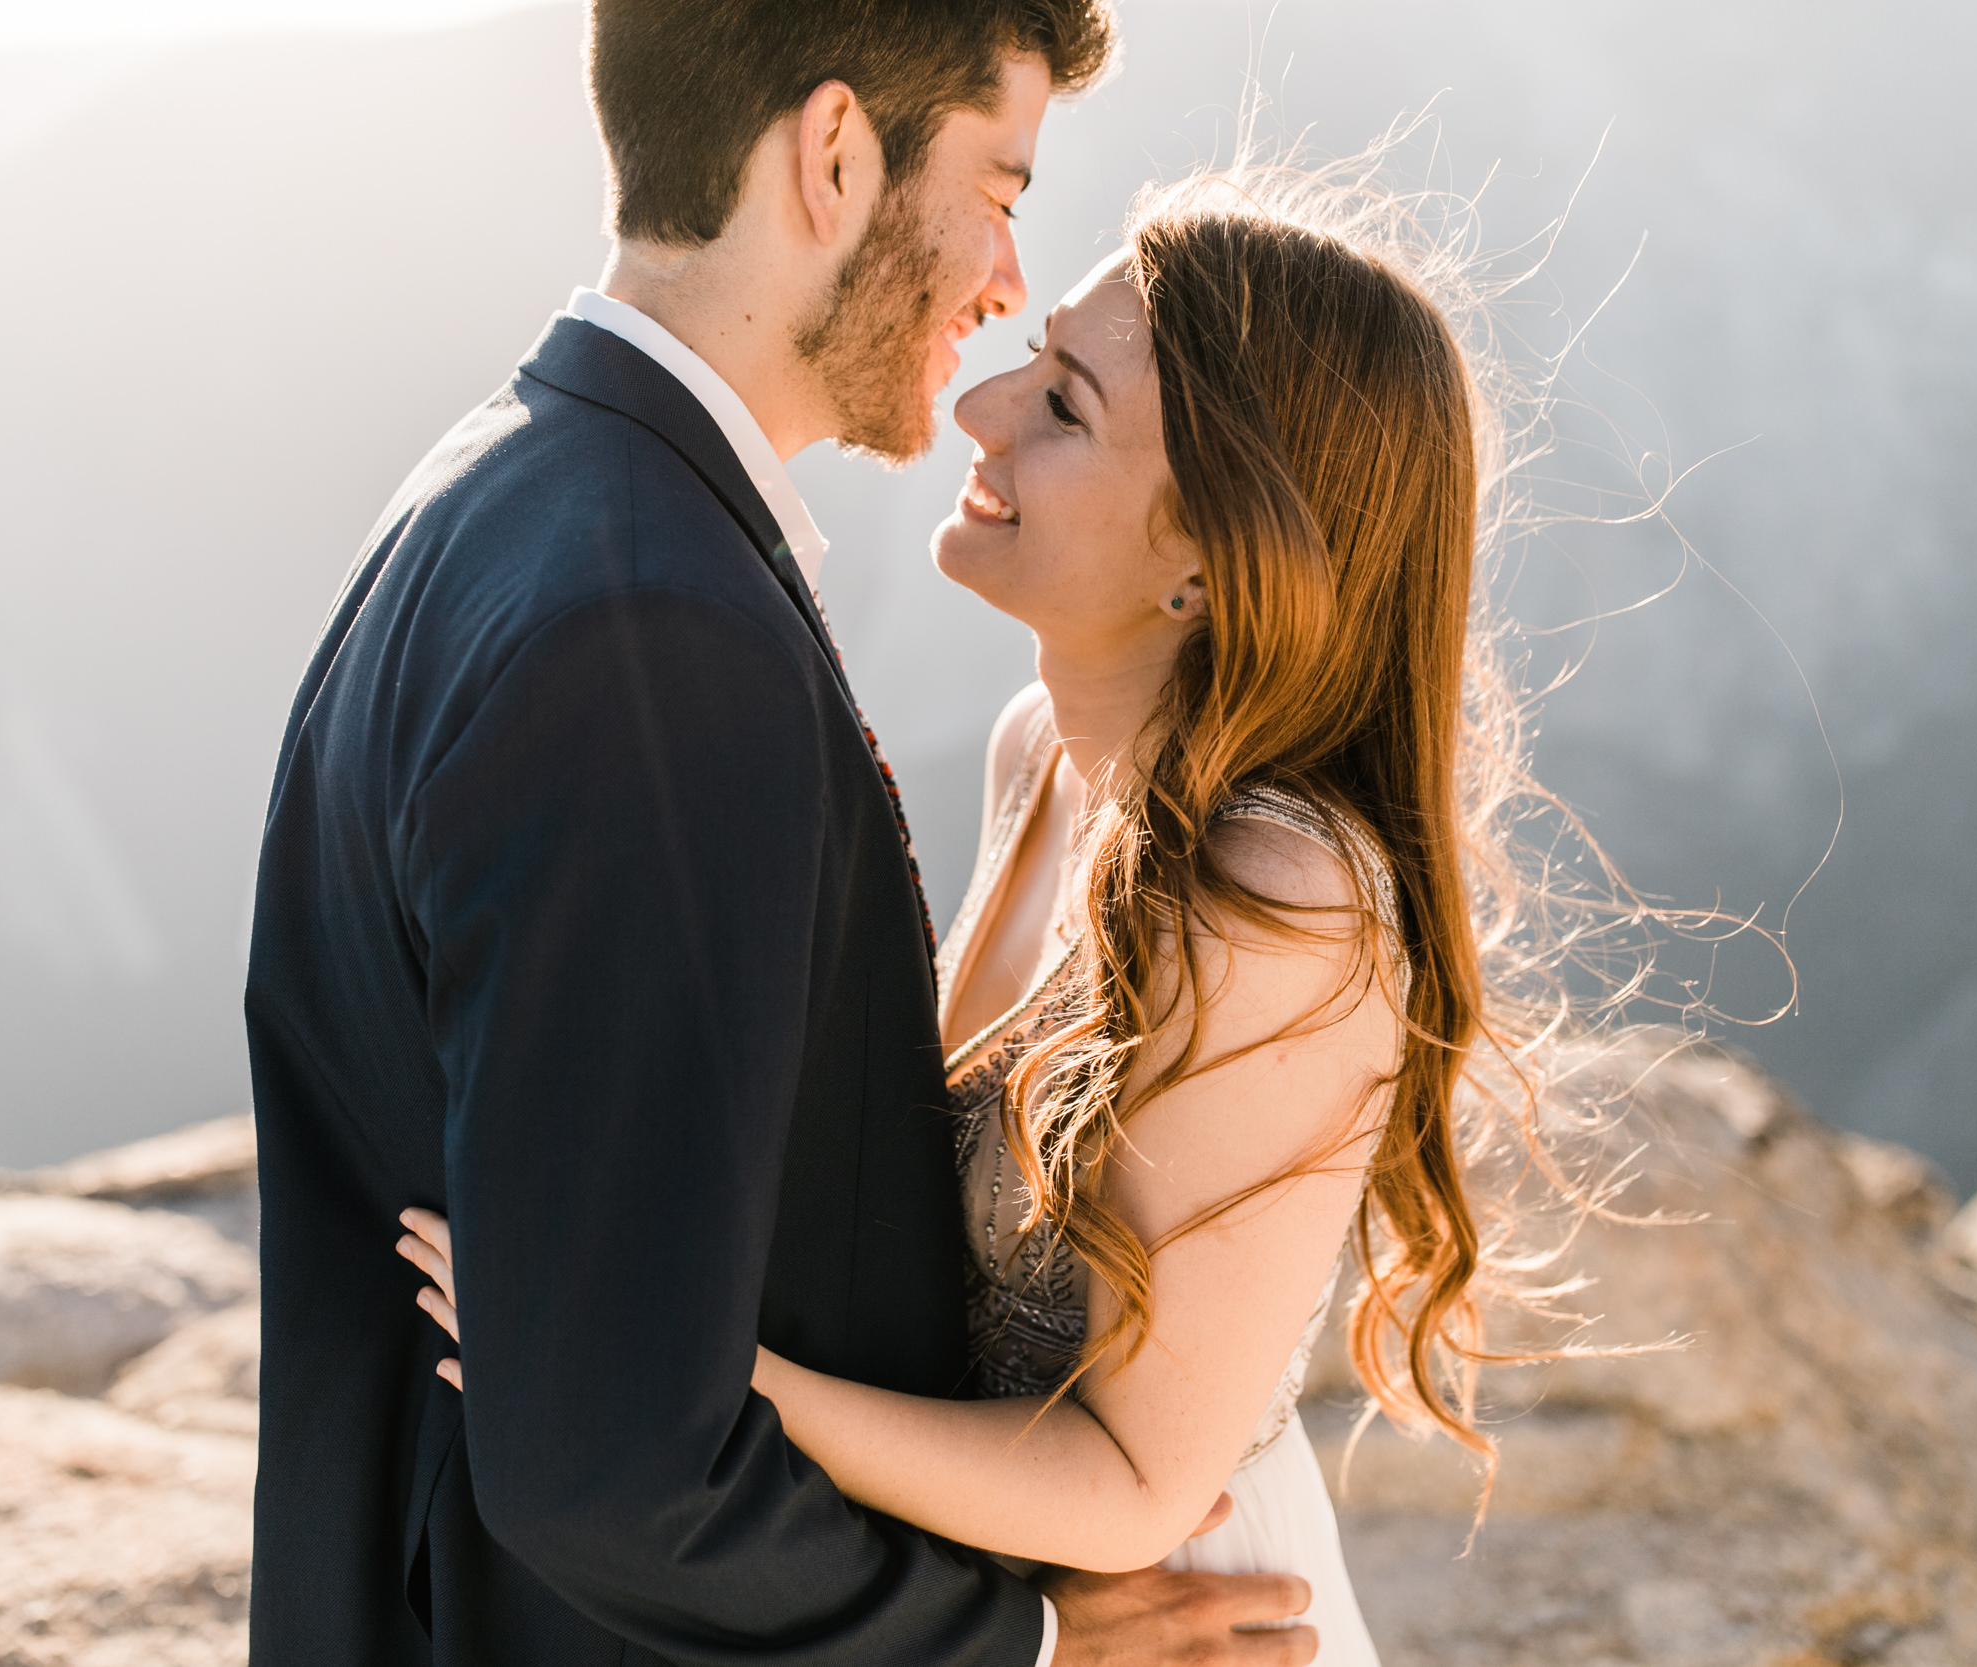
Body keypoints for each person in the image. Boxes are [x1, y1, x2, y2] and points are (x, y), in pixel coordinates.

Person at [244, 0, 1318, 1661]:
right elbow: (614, 1467)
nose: (1003, 288)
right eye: (1003, 193)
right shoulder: (651, 630)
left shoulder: (504, 496)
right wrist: (1033, 1650)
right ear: (834, 155)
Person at [403, 164, 1543, 1666]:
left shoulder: (1279, 901)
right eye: (1033, 363)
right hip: (997, 1593)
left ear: (1210, 555)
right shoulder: (1037, 753)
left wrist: (680, 1381)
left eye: (1065, 406)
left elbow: (1138, 1482)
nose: (982, 413)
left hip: (1176, 1618)